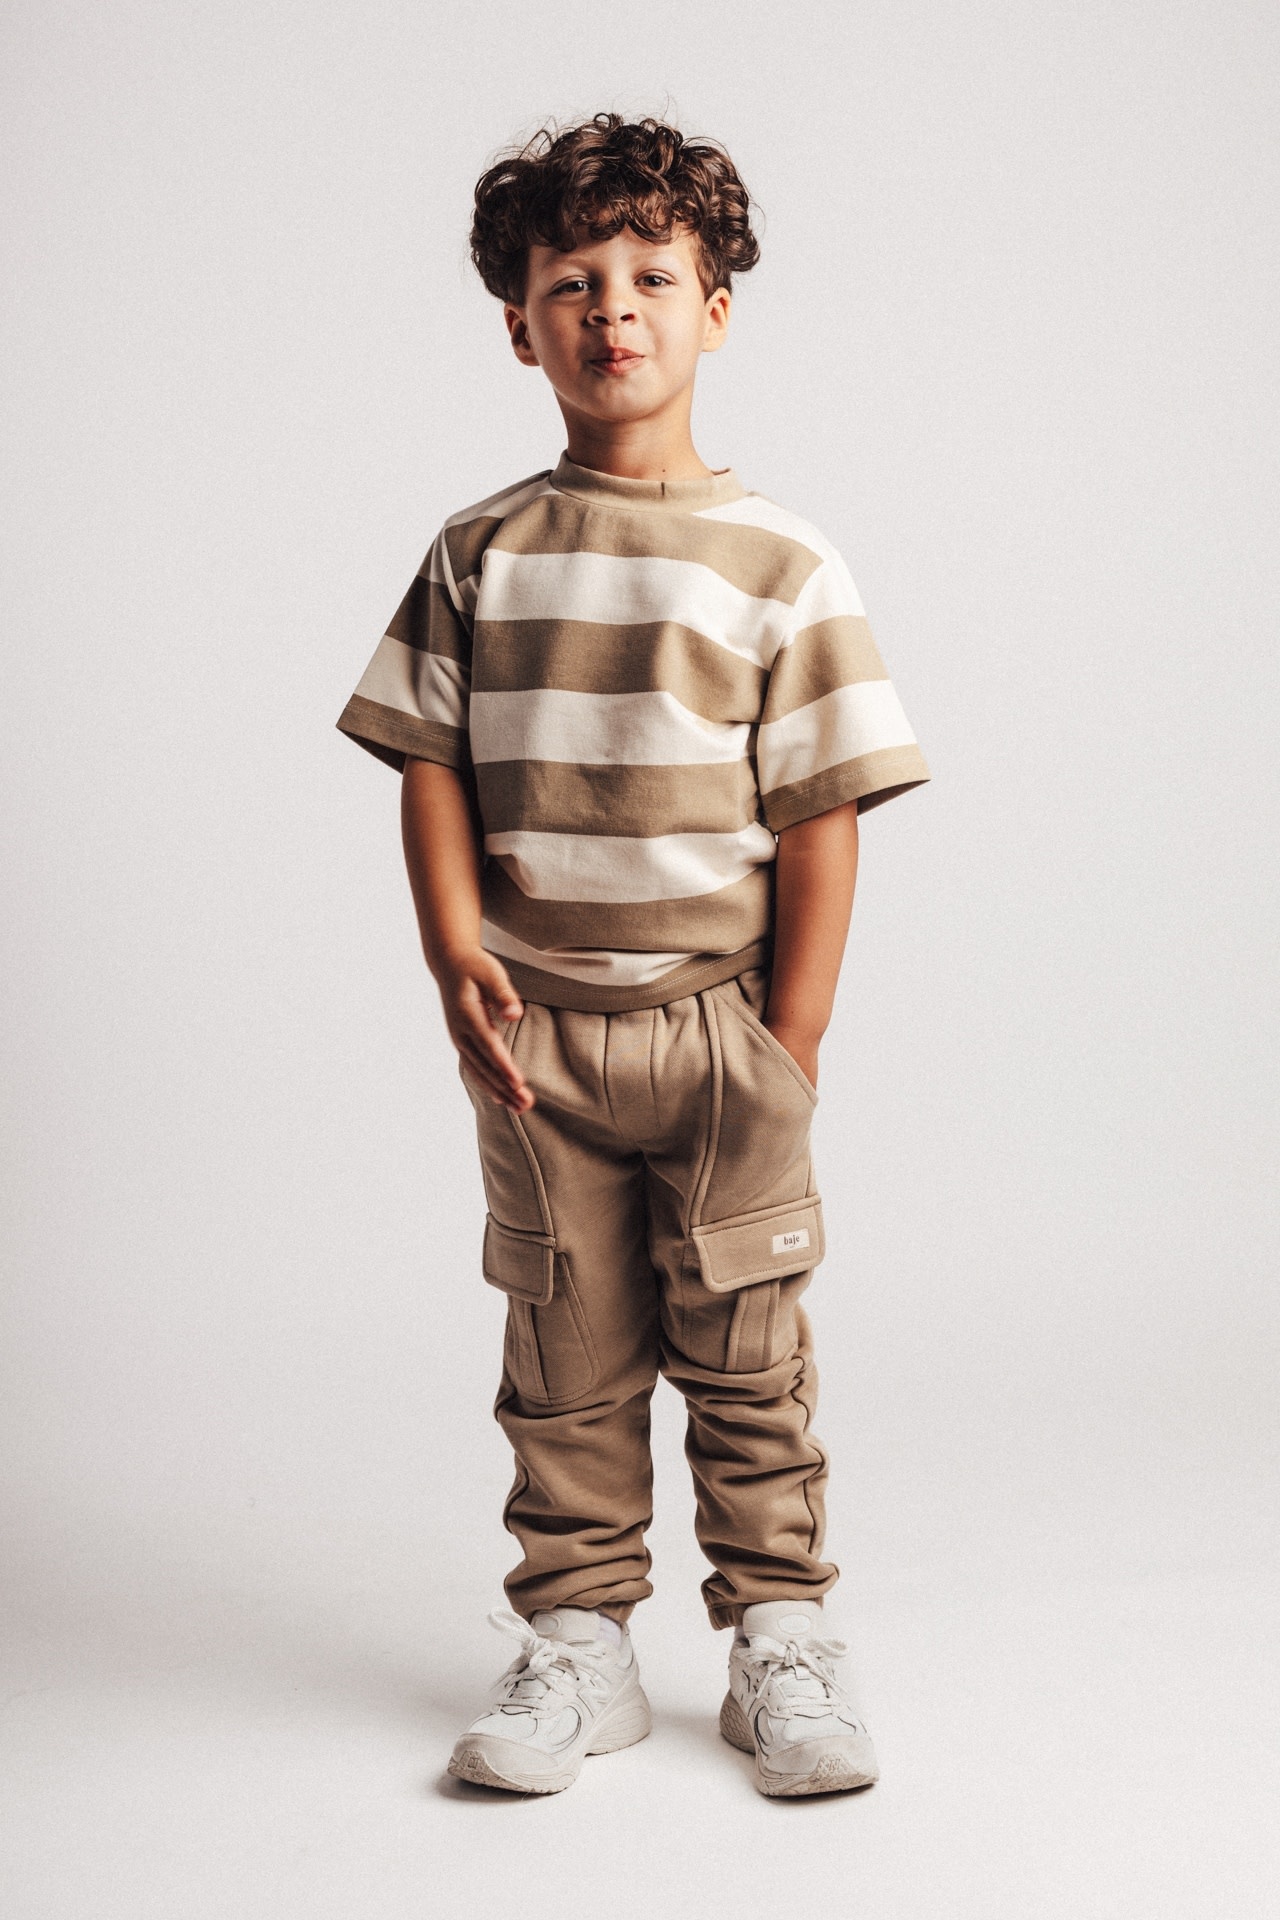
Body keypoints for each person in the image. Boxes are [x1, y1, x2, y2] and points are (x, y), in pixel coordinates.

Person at [336, 113, 929, 1798]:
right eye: (573, 283)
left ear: (714, 310)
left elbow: (824, 812)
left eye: (653, 278)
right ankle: (577, 1640)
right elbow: (427, 762)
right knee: (565, 1350)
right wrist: (454, 950)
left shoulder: (784, 562)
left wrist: (787, 1047)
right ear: (519, 324)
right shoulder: (479, 553)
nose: (615, 311)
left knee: (747, 1353)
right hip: (538, 1042)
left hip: (719, 1034)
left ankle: (782, 1638)